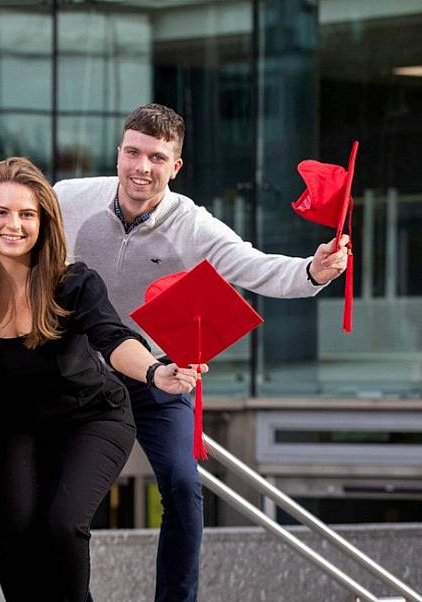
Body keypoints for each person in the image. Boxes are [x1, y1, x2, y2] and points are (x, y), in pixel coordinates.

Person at [53, 103, 349, 602]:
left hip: (159, 375)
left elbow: (254, 267)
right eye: (132, 153)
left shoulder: (193, 225)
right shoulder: (68, 199)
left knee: (185, 491)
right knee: (63, 502)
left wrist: (313, 272)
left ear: (176, 166)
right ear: (119, 152)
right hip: (78, 372)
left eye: (156, 157)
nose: (141, 167)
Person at [0, 157, 200, 602]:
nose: (14, 225)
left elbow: (113, 338)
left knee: (63, 524)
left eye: (27, 214)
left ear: (44, 221)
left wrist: (157, 373)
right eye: (1, 212)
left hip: (92, 417)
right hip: (17, 425)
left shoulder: (71, 282)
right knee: (13, 529)